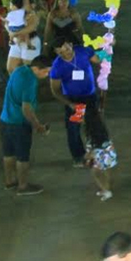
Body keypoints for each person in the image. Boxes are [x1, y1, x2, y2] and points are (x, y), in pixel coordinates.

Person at [0, 55, 51, 196]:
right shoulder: (30, 81)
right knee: (23, 156)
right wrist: (38, 126)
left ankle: (9, 182)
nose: (47, 75)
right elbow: (26, 108)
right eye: (45, 71)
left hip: (5, 119)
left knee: (8, 153)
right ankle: (23, 186)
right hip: (19, 123)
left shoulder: (19, 70)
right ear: (36, 68)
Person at [49, 36, 101, 166]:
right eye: (61, 52)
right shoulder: (57, 66)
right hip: (75, 101)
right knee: (74, 128)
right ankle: (78, 157)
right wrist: (70, 104)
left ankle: (95, 153)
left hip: (90, 97)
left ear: (71, 44)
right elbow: (55, 90)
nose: (65, 53)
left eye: (66, 48)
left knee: (93, 125)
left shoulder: (83, 52)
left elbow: (99, 60)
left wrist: (106, 49)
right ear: (56, 52)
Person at [83, 104, 117, 201]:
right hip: (108, 154)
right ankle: (106, 188)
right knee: (105, 172)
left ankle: (106, 190)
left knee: (95, 173)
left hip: (101, 156)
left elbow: (92, 151)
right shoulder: (101, 129)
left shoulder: (91, 135)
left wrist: (87, 158)